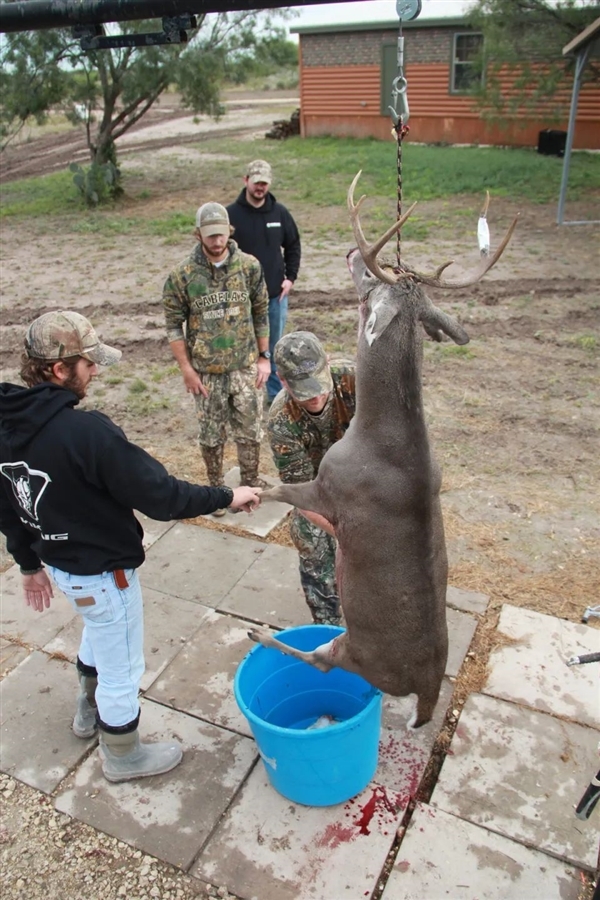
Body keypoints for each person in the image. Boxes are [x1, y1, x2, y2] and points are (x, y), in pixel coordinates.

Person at [0, 310, 261, 783]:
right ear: (60, 370)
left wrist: (27, 563)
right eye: (89, 363)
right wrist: (227, 494)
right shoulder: (87, 433)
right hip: (104, 575)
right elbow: (160, 496)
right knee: (123, 664)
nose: (95, 371)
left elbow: (5, 503)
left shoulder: (5, 426)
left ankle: (87, 706)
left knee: (97, 628)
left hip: (62, 568)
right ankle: (122, 754)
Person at [163, 201, 271, 514]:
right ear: (198, 234)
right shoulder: (182, 275)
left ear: (230, 232)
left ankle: (249, 487)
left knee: (251, 432)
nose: (216, 241)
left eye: (221, 234)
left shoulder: (249, 266)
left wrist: (264, 357)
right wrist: (186, 369)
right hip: (206, 373)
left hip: (243, 367)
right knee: (211, 437)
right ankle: (217, 491)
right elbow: (173, 324)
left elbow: (262, 310)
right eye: (210, 235)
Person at [267, 332, 356, 626]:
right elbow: (301, 494)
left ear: (327, 364)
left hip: (364, 480)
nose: (316, 396)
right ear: (282, 379)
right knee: (311, 542)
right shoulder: (281, 420)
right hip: (317, 492)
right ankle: (327, 626)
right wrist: (343, 534)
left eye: (319, 385)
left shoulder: (357, 381)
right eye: (304, 390)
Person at [227, 160, 301, 405]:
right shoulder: (230, 215)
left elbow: (293, 246)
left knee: (273, 348)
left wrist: (290, 278)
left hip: (273, 297)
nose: (260, 187)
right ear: (245, 180)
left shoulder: (280, 213)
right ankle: (239, 395)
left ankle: (273, 396)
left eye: (264, 183)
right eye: (256, 182)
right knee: (238, 347)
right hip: (239, 299)